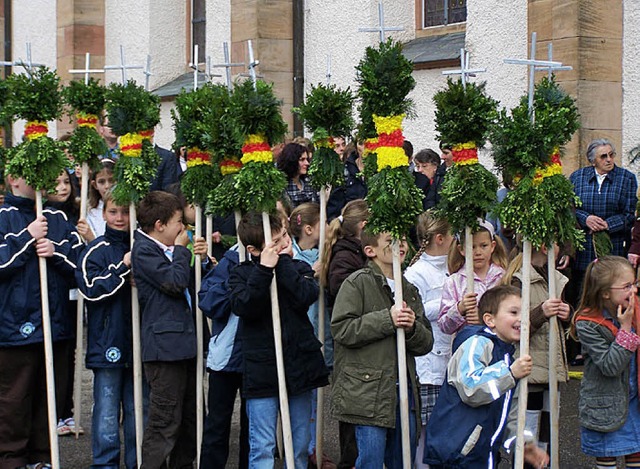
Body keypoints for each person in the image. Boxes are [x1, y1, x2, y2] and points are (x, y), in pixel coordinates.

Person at [229, 211, 329, 468]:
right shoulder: (241, 273)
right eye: (275, 241)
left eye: (284, 235)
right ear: (253, 249)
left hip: (298, 364)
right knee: (262, 446)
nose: (284, 243)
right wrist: (264, 270)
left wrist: (282, 264)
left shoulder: (298, 267)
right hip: (262, 368)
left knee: (299, 441)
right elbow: (245, 306)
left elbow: (305, 295)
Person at [331, 229, 434, 468]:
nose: (401, 244)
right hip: (368, 394)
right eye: (390, 241)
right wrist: (387, 320)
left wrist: (411, 328)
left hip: (403, 390)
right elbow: (342, 329)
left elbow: (426, 342)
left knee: (402, 460)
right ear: (370, 251)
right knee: (371, 461)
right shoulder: (357, 283)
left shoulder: (408, 288)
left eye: (403, 239)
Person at [0, 175, 83, 468]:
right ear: (13, 179)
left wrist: (56, 252)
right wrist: (28, 238)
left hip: (54, 324)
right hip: (13, 326)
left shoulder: (57, 218)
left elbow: (80, 267)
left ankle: (43, 456)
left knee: (50, 397)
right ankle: (11, 459)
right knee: (14, 399)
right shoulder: (3, 217)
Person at [424, 285, 549, 468]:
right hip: (456, 453)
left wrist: (523, 443)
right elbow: (471, 388)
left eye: (525, 312)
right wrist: (509, 374)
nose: (522, 318)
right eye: (514, 312)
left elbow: (512, 413)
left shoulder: (511, 359)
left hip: (482, 454)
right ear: (490, 320)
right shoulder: (476, 344)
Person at [132, 191, 197, 468]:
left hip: (183, 344)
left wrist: (200, 259)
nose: (182, 228)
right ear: (160, 225)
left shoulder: (167, 248)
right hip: (164, 349)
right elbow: (174, 282)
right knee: (165, 421)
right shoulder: (144, 249)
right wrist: (182, 251)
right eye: (178, 222)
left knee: (189, 420)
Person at [75, 191, 138, 468]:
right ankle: (105, 464)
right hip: (107, 342)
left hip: (139, 342)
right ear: (103, 214)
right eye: (114, 212)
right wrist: (123, 268)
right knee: (106, 413)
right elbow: (91, 290)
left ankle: (139, 462)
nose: (120, 218)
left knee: (139, 410)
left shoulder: (143, 247)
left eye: (125, 212)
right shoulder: (94, 251)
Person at [502, 240, 571, 462]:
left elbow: (563, 329)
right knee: (526, 436)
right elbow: (515, 329)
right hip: (529, 373)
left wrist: (567, 314)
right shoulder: (518, 280)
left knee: (549, 435)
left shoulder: (555, 277)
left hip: (551, 369)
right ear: (544, 246)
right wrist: (541, 313)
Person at [570, 256, 640, 468]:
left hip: (634, 399)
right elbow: (610, 366)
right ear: (606, 292)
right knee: (607, 456)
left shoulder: (635, 308)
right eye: (627, 286)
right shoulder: (587, 322)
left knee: (636, 454)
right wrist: (625, 329)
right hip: (605, 403)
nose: (633, 291)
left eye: (634, 284)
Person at [320, 199, 369, 468]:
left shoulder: (354, 251)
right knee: (352, 404)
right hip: (351, 338)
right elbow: (342, 289)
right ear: (363, 226)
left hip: (357, 336)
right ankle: (350, 461)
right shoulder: (345, 254)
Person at [404, 212, 455, 468]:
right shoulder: (416, 272)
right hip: (428, 364)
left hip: (450, 359)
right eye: (452, 235)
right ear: (439, 238)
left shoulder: (453, 267)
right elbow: (416, 311)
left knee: (446, 428)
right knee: (426, 431)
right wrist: (450, 304)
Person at [289, 203, 336, 469]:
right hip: (299, 335)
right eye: (322, 223)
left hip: (320, 334)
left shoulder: (325, 254)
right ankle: (301, 448)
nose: (327, 227)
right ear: (308, 229)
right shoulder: (293, 257)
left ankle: (314, 446)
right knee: (300, 400)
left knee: (315, 398)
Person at [199, 242, 249, 469]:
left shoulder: (280, 258)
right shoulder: (230, 260)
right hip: (225, 357)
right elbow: (208, 302)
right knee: (217, 425)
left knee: (254, 428)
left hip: (258, 359)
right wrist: (235, 281)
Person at [568, 139, 637, 301]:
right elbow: (570, 208)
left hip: (613, 245)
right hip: (584, 246)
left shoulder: (626, 178)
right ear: (592, 160)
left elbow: (629, 214)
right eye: (603, 156)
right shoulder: (578, 177)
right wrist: (586, 219)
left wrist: (607, 224)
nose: (609, 160)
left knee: (610, 290)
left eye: (611, 155)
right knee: (583, 292)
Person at [45, 170, 82, 437]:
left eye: (65, 182)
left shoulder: (72, 219)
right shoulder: (42, 216)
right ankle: (52, 413)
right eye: (54, 183)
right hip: (47, 297)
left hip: (68, 299)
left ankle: (65, 411)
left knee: (67, 355)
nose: (61, 188)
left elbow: (78, 261)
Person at [438, 221, 508, 335]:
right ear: (461, 249)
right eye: (472, 247)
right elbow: (444, 326)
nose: (478, 252)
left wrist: (484, 318)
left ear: (492, 246)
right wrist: (459, 309)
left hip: (498, 345)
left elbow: (512, 315)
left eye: (483, 246)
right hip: (467, 344)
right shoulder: (455, 282)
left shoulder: (503, 278)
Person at [326, 141, 367, 221]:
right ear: (356, 146)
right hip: (350, 226)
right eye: (361, 143)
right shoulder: (345, 170)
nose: (365, 148)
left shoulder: (382, 170)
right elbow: (333, 210)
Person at [78, 159, 115, 243]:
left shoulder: (129, 208)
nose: (107, 186)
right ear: (95, 185)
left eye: (111, 180)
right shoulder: (90, 211)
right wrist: (90, 237)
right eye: (102, 182)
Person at [277, 142, 319, 208]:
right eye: (302, 160)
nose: (307, 163)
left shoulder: (309, 182)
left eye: (307, 159)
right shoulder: (280, 186)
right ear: (291, 161)